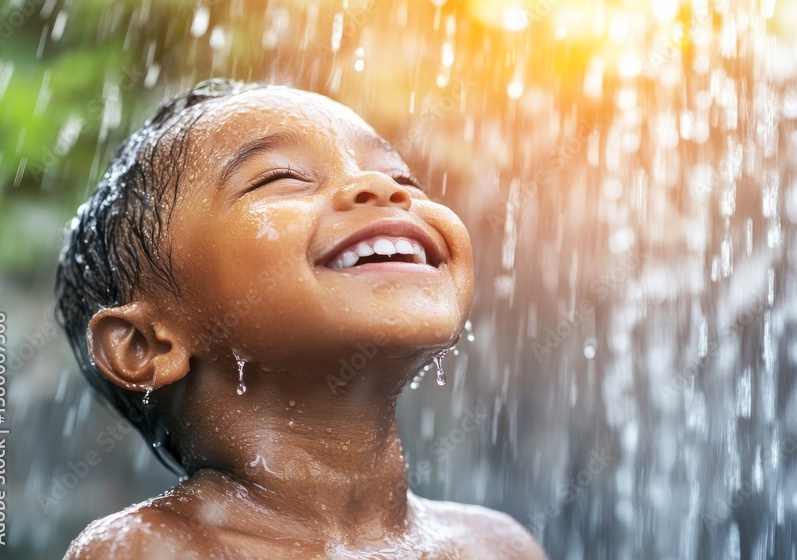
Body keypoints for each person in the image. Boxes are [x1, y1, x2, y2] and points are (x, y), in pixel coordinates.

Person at [56, 79, 546, 559]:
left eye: (403, 179)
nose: (381, 188)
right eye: (281, 177)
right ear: (146, 345)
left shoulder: (499, 546)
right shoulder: (150, 548)